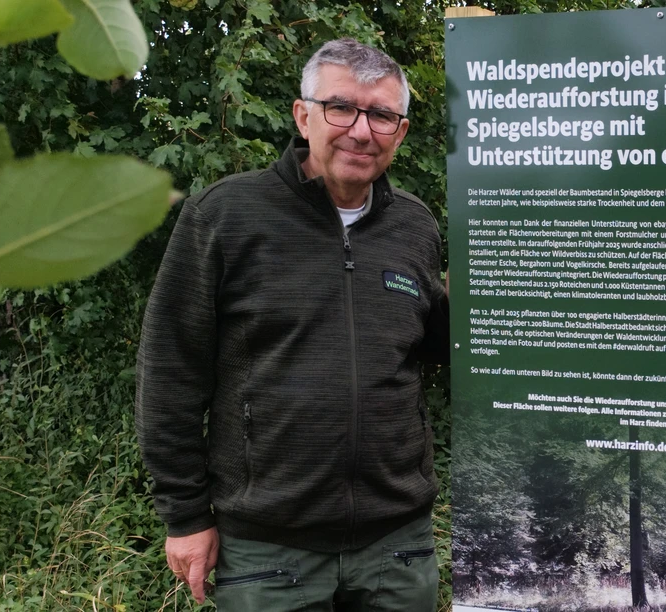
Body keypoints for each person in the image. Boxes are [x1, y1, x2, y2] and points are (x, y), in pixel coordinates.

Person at [135, 39, 449, 610]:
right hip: (267, 547)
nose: (361, 130)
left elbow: (435, 343)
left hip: (396, 544)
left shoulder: (414, 226)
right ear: (303, 116)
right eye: (341, 108)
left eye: (381, 114)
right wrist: (184, 516)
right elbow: (170, 372)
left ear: (400, 133)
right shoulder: (227, 216)